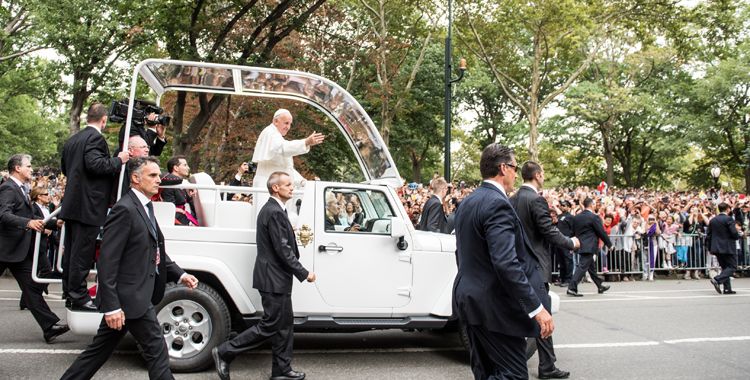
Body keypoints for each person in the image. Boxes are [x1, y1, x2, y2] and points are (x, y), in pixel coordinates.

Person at [60, 156, 199, 380]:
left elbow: (154, 250)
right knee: (157, 350)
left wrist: (180, 274)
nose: (158, 180)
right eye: (152, 175)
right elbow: (107, 261)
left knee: (98, 352)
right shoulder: (124, 209)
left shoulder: (145, 206)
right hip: (129, 298)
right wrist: (112, 307)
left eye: (158, 175)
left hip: (135, 296)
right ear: (135, 178)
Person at [452, 144, 554, 380]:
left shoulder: (468, 202)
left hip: (471, 300)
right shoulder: (497, 203)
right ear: (503, 168)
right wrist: (536, 309)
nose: (516, 174)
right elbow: (506, 263)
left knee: (486, 372)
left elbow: (462, 252)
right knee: (513, 376)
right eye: (514, 167)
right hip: (495, 307)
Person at [212, 171, 316, 380]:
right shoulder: (274, 211)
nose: (291, 188)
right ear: (275, 188)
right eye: (287, 184)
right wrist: (304, 273)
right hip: (273, 278)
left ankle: (281, 371)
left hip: (277, 278)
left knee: (285, 326)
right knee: (270, 324)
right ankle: (224, 351)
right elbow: (282, 250)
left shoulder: (276, 209)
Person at [509, 161, 577, 379]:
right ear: (537, 175)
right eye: (543, 173)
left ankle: (530, 362)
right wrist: (571, 242)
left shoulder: (512, 199)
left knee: (520, 315)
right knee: (543, 316)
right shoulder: (536, 200)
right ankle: (547, 366)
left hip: (516, 263)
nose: (544, 176)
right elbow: (548, 232)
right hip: (536, 265)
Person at [60, 103, 130, 311]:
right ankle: (79, 296)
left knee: (72, 253)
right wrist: (118, 160)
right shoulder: (95, 138)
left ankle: (70, 293)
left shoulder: (73, 140)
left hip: (73, 203)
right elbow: (96, 165)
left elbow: (66, 168)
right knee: (82, 254)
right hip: (88, 205)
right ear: (104, 120)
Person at [0, 154, 69, 343]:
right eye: (28, 166)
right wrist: (28, 223)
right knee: (32, 288)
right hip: (4, 248)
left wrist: (56, 223)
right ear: (17, 169)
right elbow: (3, 215)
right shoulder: (8, 188)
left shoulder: (23, 189)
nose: (31, 169)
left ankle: (49, 327)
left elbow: (35, 217)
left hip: (17, 251)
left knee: (31, 289)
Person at [251, 109, 325, 189]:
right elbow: (284, 148)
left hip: (275, 186)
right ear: (276, 121)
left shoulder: (277, 136)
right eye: (286, 123)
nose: (288, 127)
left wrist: (301, 181)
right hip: (267, 186)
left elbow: (286, 168)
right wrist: (306, 142)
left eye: (290, 124)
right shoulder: (270, 133)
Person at [567, 197, 612, 297]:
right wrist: (609, 244)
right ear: (591, 205)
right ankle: (572, 287)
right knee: (582, 267)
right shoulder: (594, 217)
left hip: (580, 245)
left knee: (591, 268)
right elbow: (601, 232)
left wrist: (571, 245)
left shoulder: (576, 217)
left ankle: (599, 285)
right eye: (594, 204)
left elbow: (572, 233)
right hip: (590, 245)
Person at [707, 202, 740, 295]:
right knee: (732, 266)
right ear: (728, 209)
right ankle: (717, 280)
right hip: (728, 247)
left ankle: (727, 288)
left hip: (716, 247)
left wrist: (709, 247)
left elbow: (709, 235)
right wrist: (737, 235)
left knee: (725, 267)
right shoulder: (729, 219)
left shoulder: (713, 220)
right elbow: (733, 233)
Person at [160, 155, 198, 226]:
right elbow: (169, 208)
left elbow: (188, 201)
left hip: (182, 216)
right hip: (175, 220)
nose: (188, 168)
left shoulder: (183, 186)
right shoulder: (168, 186)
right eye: (185, 165)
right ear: (176, 168)